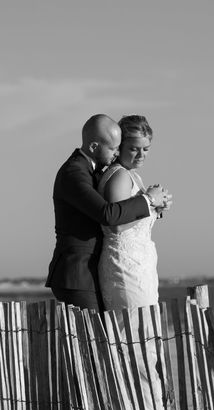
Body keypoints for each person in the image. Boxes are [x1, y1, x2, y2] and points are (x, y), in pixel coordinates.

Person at [45, 114, 171, 311]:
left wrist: (153, 209)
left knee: (102, 338)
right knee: (94, 339)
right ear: (94, 147)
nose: (116, 153)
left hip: (91, 272)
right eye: (114, 148)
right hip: (77, 274)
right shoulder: (74, 172)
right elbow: (109, 215)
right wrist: (149, 200)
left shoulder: (95, 169)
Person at [97, 115, 168, 311]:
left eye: (146, 149)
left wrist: (156, 209)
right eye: (134, 149)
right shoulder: (119, 175)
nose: (141, 155)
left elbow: (135, 216)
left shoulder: (132, 175)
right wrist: (150, 201)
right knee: (133, 333)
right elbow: (116, 225)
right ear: (120, 147)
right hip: (125, 268)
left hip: (140, 266)